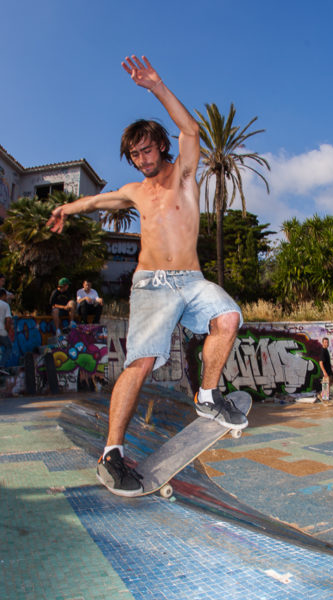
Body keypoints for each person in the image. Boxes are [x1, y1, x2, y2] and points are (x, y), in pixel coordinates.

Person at [46, 55, 246, 497]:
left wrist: (156, 86)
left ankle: (208, 396)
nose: (141, 160)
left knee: (228, 318)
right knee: (141, 362)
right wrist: (66, 207)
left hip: (191, 280)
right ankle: (112, 453)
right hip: (151, 284)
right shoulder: (135, 191)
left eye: (147, 150)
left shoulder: (186, 176)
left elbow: (191, 131)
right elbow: (101, 203)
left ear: (161, 145)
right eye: (134, 155)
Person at [0, 288, 15, 369]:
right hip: (1, 331)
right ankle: (1, 365)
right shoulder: (5, 305)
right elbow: (8, 319)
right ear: (4, 296)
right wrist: (8, 330)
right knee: (8, 347)